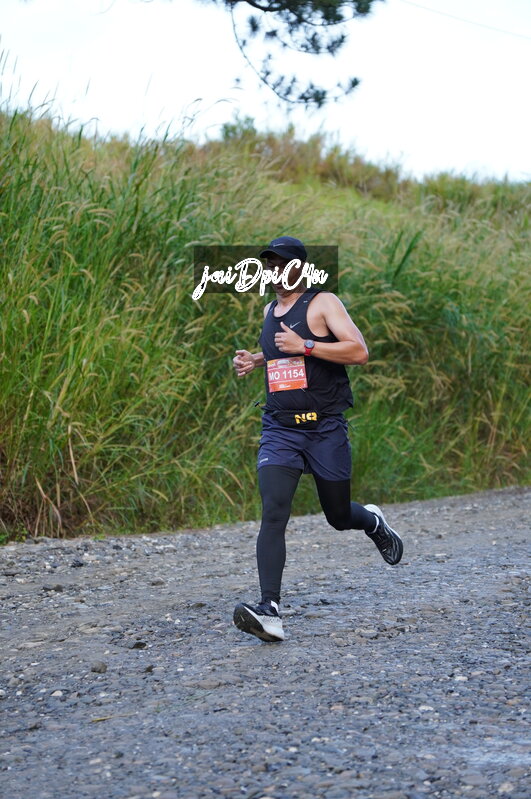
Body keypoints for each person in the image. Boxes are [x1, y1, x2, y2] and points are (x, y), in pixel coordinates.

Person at [232, 236, 403, 643]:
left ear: (300, 268)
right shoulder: (269, 310)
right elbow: (283, 353)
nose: (275, 272)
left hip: (324, 428)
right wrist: (256, 359)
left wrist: (306, 345)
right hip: (280, 428)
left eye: (282, 264)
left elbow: (358, 352)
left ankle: (372, 521)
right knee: (274, 511)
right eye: (270, 265)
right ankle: (270, 610)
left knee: (338, 515)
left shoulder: (323, 303)